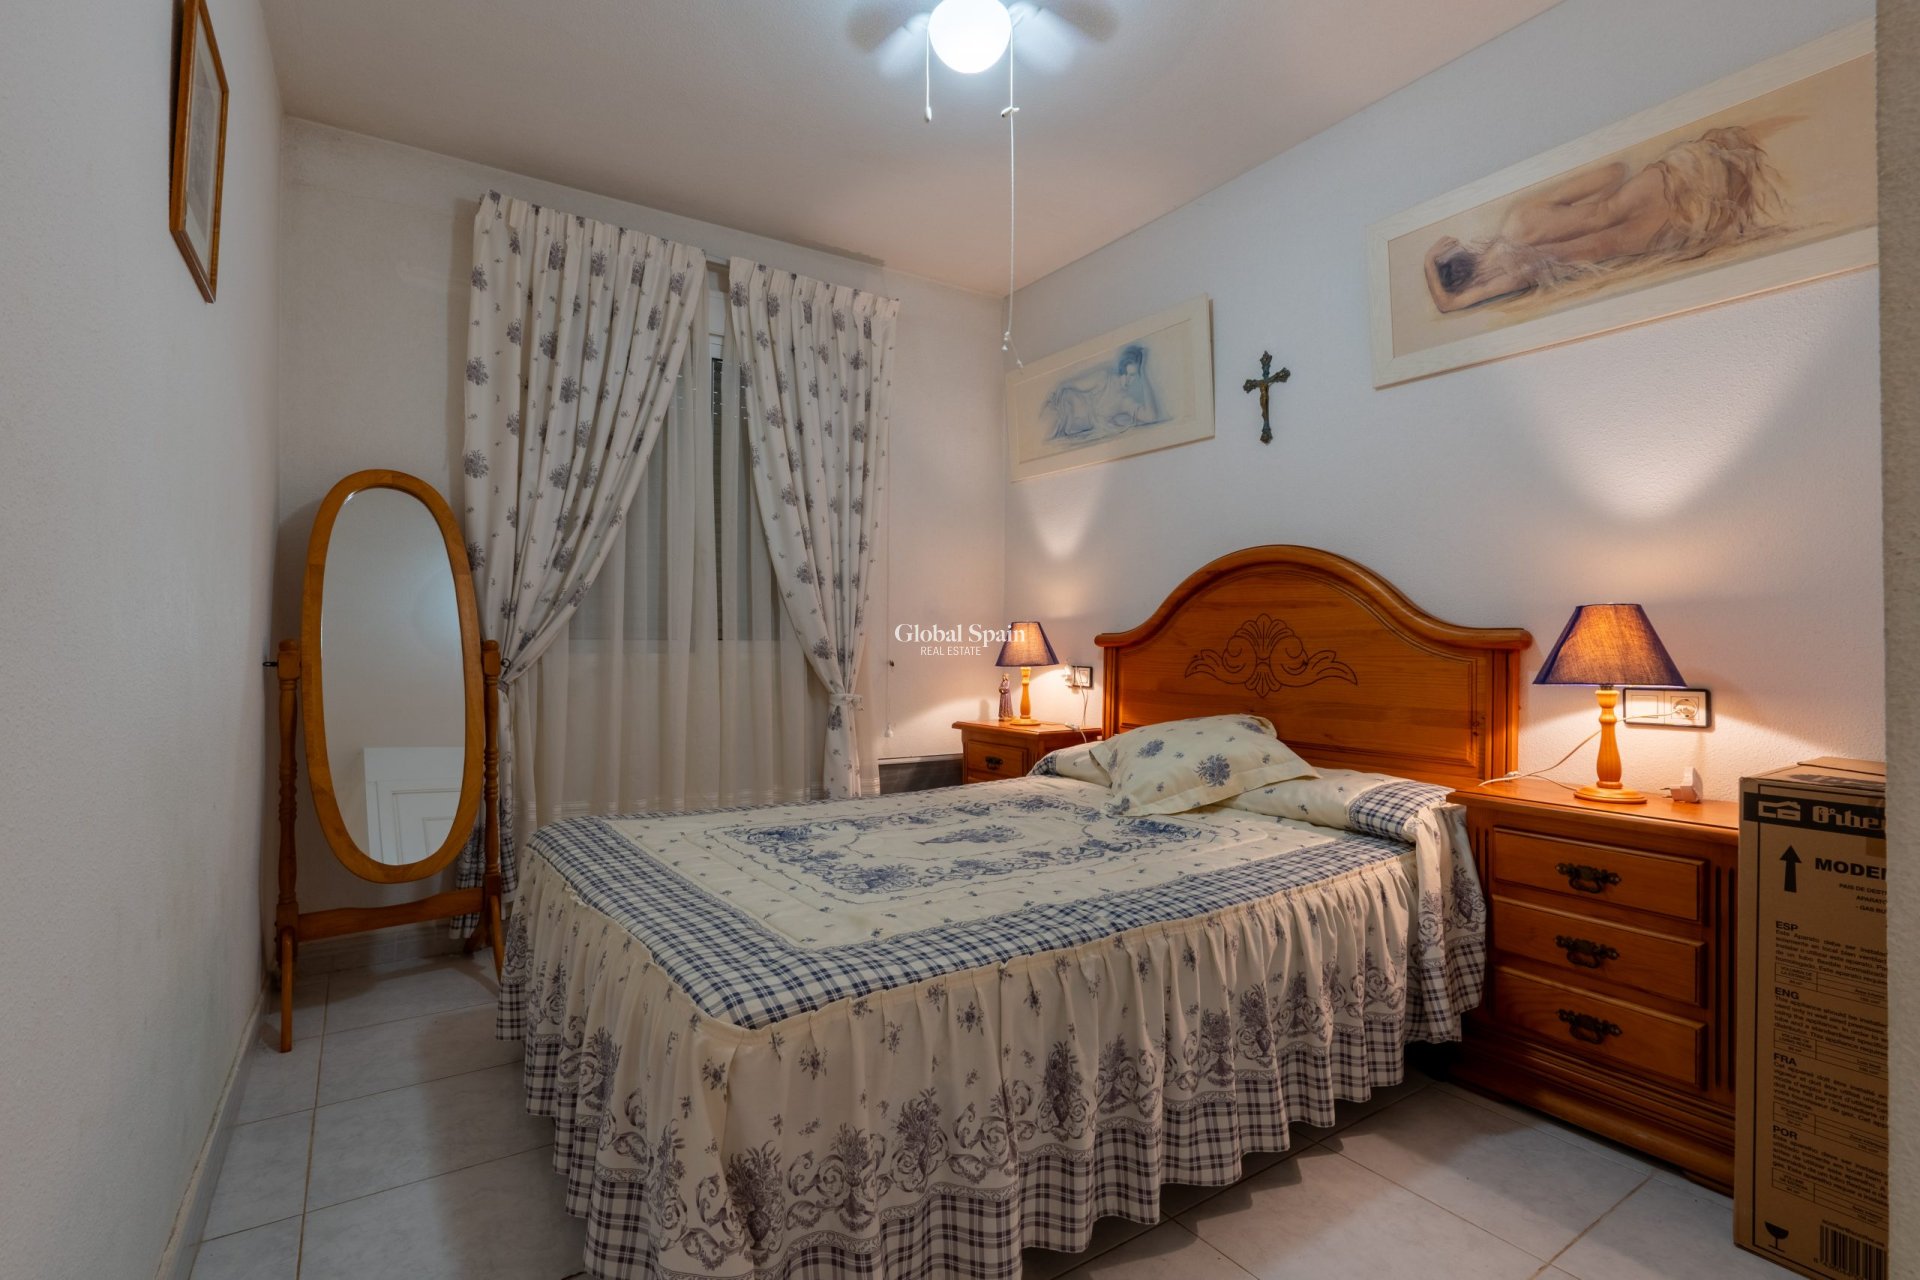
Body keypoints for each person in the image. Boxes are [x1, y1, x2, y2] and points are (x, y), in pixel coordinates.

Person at [1424, 124, 1785, 313]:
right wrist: (1595, 209)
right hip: (1647, 191)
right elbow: (1613, 172)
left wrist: (1428, 266)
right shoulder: (1520, 218)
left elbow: (1447, 304)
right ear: (1462, 251)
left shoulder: (1511, 276)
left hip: (1647, 237)